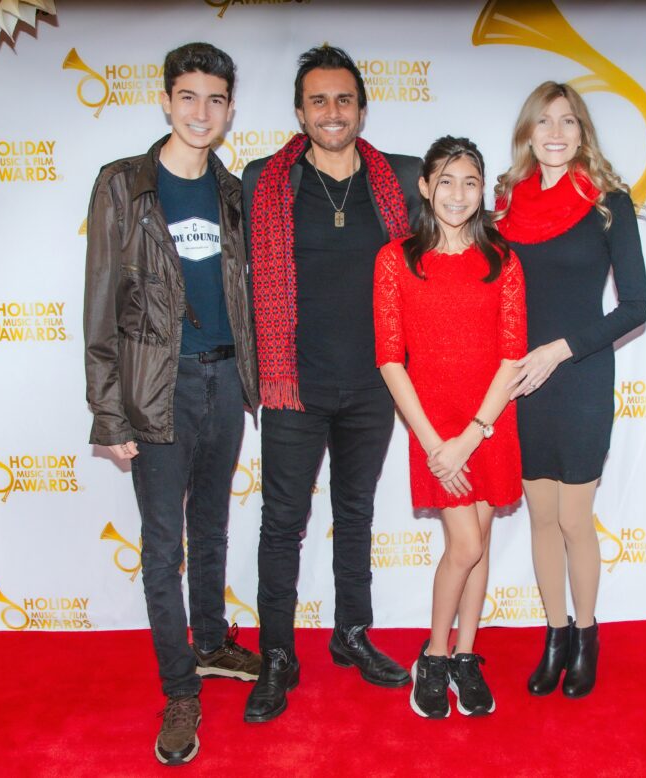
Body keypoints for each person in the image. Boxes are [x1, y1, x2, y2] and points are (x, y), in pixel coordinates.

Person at [83, 42, 260, 766]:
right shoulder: (124, 184)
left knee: (213, 523)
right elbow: (100, 303)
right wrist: (108, 413)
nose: (201, 112)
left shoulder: (232, 190)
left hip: (225, 381)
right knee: (164, 547)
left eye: (215, 100)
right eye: (188, 97)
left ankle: (213, 641)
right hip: (158, 389)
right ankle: (180, 687)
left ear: (228, 109)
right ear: (164, 100)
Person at [240, 44, 422, 723]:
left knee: (356, 512)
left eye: (344, 99)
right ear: (299, 111)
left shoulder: (399, 181)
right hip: (293, 385)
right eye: (318, 100)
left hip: (375, 384)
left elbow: (466, 213)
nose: (332, 111)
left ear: (362, 109)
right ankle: (278, 656)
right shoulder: (267, 181)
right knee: (282, 523)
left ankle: (352, 633)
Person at [495, 82, 646, 699]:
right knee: (540, 516)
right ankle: (553, 634)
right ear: (528, 133)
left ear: (582, 133)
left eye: (568, 122)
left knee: (574, 518)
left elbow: (635, 307)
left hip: (579, 374)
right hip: (524, 382)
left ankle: (586, 635)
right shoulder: (503, 207)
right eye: (544, 122)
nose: (555, 133)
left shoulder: (609, 202)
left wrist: (561, 349)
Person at [374, 136, 526, 718]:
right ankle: (433, 657)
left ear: (483, 190)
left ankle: (465, 654)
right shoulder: (395, 259)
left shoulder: (503, 259)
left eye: (470, 182)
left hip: (488, 423)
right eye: (446, 181)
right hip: (433, 429)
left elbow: (513, 355)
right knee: (464, 543)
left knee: (479, 542)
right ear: (424, 186)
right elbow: (390, 358)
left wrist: (473, 434)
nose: (458, 195)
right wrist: (437, 442)